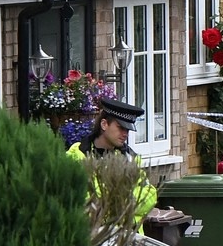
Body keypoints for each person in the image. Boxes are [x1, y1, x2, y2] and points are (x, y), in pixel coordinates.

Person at [67, 96, 158, 225]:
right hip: (94, 238)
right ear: (104, 124)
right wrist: (125, 201)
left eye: (127, 129)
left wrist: (115, 202)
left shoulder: (129, 158)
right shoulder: (77, 156)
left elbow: (150, 196)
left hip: (128, 239)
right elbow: (82, 202)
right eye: (121, 127)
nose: (125, 134)